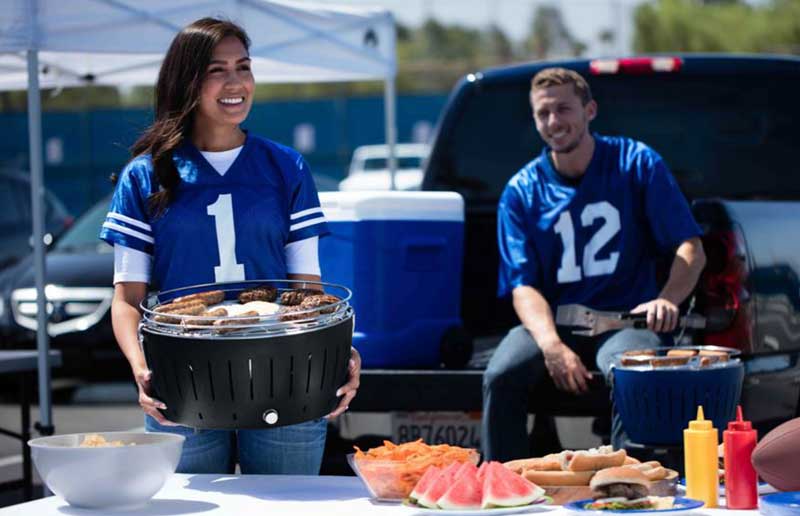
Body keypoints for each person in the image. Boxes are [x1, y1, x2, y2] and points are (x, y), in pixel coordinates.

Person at [99, 17, 360, 474]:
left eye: (244, 67)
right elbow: (127, 301)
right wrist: (142, 369)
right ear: (187, 80)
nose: (236, 82)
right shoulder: (146, 175)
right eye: (217, 70)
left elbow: (307, 289)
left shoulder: (286, 166)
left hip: (286, 374)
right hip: (185, 381)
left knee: (287, 511)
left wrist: (338, 351)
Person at [481, 68, 706, 462]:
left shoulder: (636, 163)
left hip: (625, 320)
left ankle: (626, 482)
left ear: (590, 110)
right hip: (554, 323)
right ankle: (504, 486)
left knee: (632, 371)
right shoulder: (521, 191)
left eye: (564, 109)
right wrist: (551, 345)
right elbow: (523, 285)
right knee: (500, 375)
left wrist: (667, 299)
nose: (554, 122)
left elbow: (691, 248)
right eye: (543, 114)